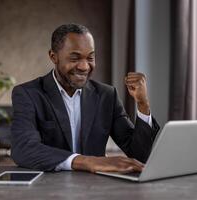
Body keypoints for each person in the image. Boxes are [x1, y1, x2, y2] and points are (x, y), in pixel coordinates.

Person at [11, 23, 159, 172]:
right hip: (48, 187)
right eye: (75, 58)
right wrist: (87, 161)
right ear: (53, 57)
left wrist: (142, 104)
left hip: (93, 188)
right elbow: (23, 149)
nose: (84, 66)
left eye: (90, 58)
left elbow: (139, 156)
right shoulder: (27, 94)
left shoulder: (107, 95)